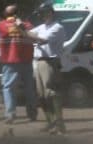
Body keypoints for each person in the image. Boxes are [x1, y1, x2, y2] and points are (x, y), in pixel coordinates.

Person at [28, 1, 65, 134]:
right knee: (41, 95)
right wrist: (19, 28)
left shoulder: (57, 27)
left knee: (52, 93)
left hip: (50, 61)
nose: (44, 15)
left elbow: (42, 40)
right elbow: (28, 35)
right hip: (38, 61)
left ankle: (59, 125)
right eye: (42, 13)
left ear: (52, 13)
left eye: (46, 12)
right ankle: (51, 122)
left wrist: (23, 29)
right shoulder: (42, 27)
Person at [0, 4, 36, 124]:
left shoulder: (1, 25)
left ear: (5, 15)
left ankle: (10, 114)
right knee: (29, 88)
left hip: (11, 61)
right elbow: (32, 37)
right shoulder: (28, 25)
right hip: (26, 60)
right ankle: (32, 113)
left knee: (8, 88)